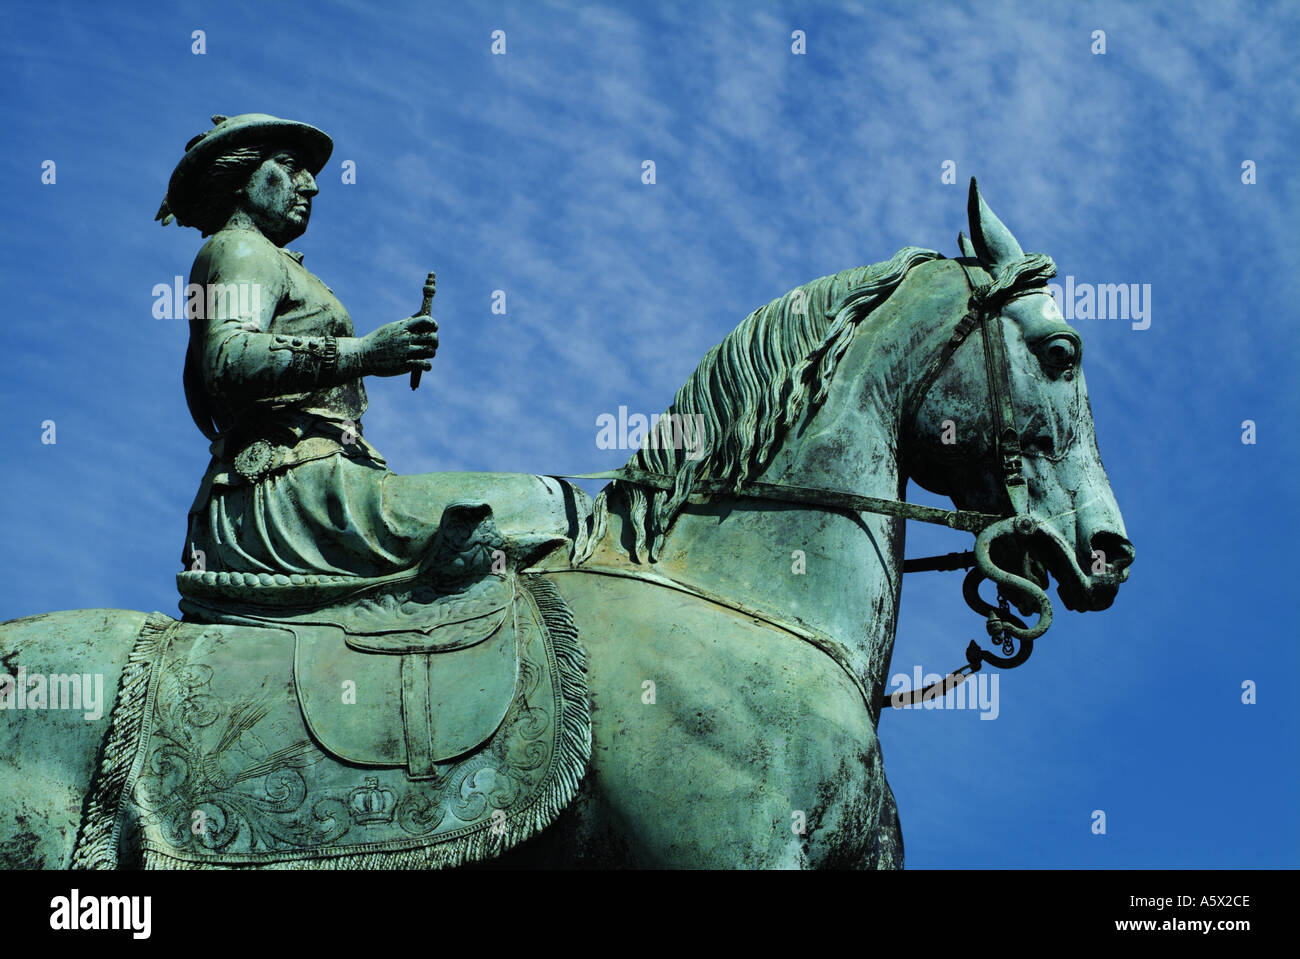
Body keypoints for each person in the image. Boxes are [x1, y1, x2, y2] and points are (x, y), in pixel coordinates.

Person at [157, 114, 578, 586]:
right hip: (288, 487)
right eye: (291, 166)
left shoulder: (271, 259)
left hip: (322, 474)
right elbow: (229, 358)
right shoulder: (240, 248)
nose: (311, 186)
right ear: (240, 177)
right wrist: (366, 354)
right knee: (550, 505)